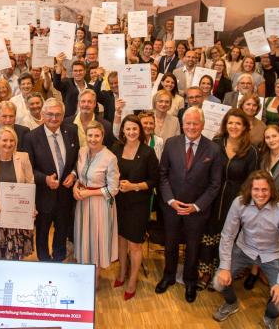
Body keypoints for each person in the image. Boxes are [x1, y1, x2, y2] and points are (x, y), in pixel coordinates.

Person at [212, 171, 279, 329]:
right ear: (249, 189)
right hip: (244, 249)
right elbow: (227, 235)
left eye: (264, 189)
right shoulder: (239, 203)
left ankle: (270, 317)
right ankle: (231, 303)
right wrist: (224, 266)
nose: (260, 194)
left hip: (272, 255)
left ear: (271, 190)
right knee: (218, 282)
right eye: (256, 189)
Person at [156, 107, 223, 303]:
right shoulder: (171, 143)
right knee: (170, 245)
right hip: (172, 207)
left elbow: (215, 184)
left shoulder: (213, 149)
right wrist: (170, 200)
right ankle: (168, 276)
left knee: (193, 247)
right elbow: (163, 175)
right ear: (182, 124)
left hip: (197, 211)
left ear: (202, 125)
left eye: (196, 123)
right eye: (188, 123)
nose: (191, 127)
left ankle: (190, 281)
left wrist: (196, 206)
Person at [198, 109, 258, 289]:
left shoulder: (251, 151)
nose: (234, 126)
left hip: (236, 200)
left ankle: (221, 273)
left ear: (245, 127)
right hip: (212, 197)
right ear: (225, 124)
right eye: (230, 123)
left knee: (228, 238)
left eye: (238, 123)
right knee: (208, 236)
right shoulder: (215, 143)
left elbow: (252, 180)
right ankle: (205, 273)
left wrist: (245, 204)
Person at [243, 125, 279, 290]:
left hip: (277, 210)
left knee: (271, 244)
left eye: (274, 136)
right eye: (268, 137)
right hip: (257, 206)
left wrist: (268, 208)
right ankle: (254, 272)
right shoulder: (263, 157)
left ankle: (271, 274)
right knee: (255, 240)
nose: (271, 140)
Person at [24, 98, 79, 262]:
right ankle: (44, 262)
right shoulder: (31, 137)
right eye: (49, 114)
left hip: (66, 194)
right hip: (43, 196)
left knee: (62, 230)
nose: (54, 118)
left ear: (63, 115)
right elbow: (27, 169)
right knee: (42, 232)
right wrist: (45, 179)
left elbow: (78, 159)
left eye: (58, 115)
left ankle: (58, 260)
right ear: (42, 114)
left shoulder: (72, 131)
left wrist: (74, 174)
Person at [111, 115, 158, 300]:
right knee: (121, 240)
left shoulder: (148, 152)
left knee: (135, 244)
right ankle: (122, 273)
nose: (131, 132)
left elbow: (154, 180)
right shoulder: (116, 148)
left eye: (134, 129)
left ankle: (132, 280)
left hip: (138, 204)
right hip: (119, 203)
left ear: (140, 130)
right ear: (123, 130)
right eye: (128, 129)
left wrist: (134, 186)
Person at [73, 121, 120, 288]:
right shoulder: (82, 151)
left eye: (96, 135)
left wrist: (89, 193)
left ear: (102, 136)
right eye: (90, 135)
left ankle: (94, 280)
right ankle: (84, 273)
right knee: (84, 239)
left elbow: (113, 189)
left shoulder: (110, 158)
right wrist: (75, 186)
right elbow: (79, 174)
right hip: (83, 203)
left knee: (97, 240)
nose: (93, 139)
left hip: (100, 205)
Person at [0, 127, 34, 260]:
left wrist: (31, 207)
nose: (8, 144)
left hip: (18, 215)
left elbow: (30, 184)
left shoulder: (23, 157)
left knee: (17, 254)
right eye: (4, 140)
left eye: (12, 140)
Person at [53, 53, 91, 117]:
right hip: (70, 121)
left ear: (85, 72)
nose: (78, 73)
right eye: (75, 71)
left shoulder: (91, 88)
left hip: (87, 120)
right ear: (72, 72)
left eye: (80, 70)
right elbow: (56, 84)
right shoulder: (68, 83)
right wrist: (59, 64)